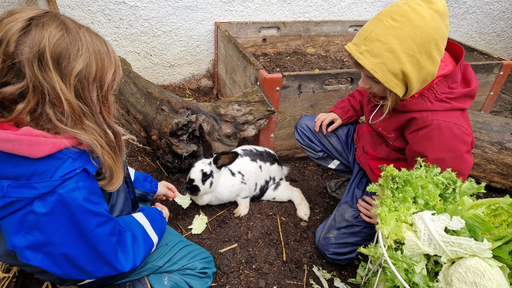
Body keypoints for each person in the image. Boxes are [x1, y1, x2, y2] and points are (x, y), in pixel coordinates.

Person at [0, 8, 215, 288]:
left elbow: (94, 167)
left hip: (58, 234)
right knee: (198, 266)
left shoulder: (36, 139)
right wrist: (154, 219)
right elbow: (108, 250)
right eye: (100, 93)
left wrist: (147, 186)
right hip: (86, 260)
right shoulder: (64, 190)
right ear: (67, 102)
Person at [294, 0, 478, 265]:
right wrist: (341, 112)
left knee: (331, 246)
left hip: (388, 184)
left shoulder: (440, 127)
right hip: (367, 150)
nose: (362, 82)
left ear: (405, 79)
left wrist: (396, 213)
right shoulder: (397, 78)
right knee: (307, 128)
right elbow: (364, 95)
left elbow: (440, 188)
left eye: (374, 79)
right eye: (362, 73)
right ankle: (353, 182)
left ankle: (375, 229)